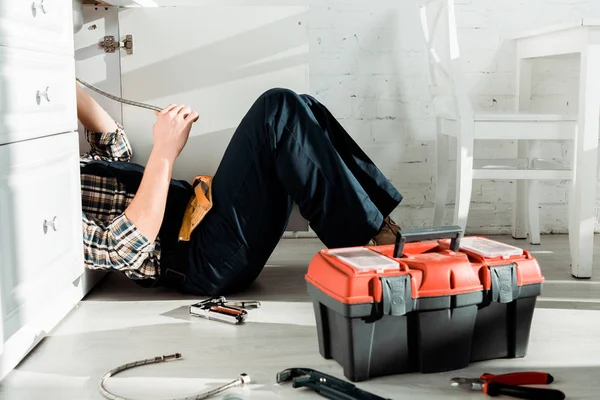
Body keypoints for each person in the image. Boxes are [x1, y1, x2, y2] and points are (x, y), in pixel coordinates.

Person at [77, 83, 403, 296]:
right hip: (201, 260)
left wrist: (60, 76)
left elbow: (114, 148)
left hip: (207, 221)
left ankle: (381, 229)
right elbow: (122, 249)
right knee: (276, 110)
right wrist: (165, 148)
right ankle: (366, 246)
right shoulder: (43, 216)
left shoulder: (66, 169)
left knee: (302, 107)